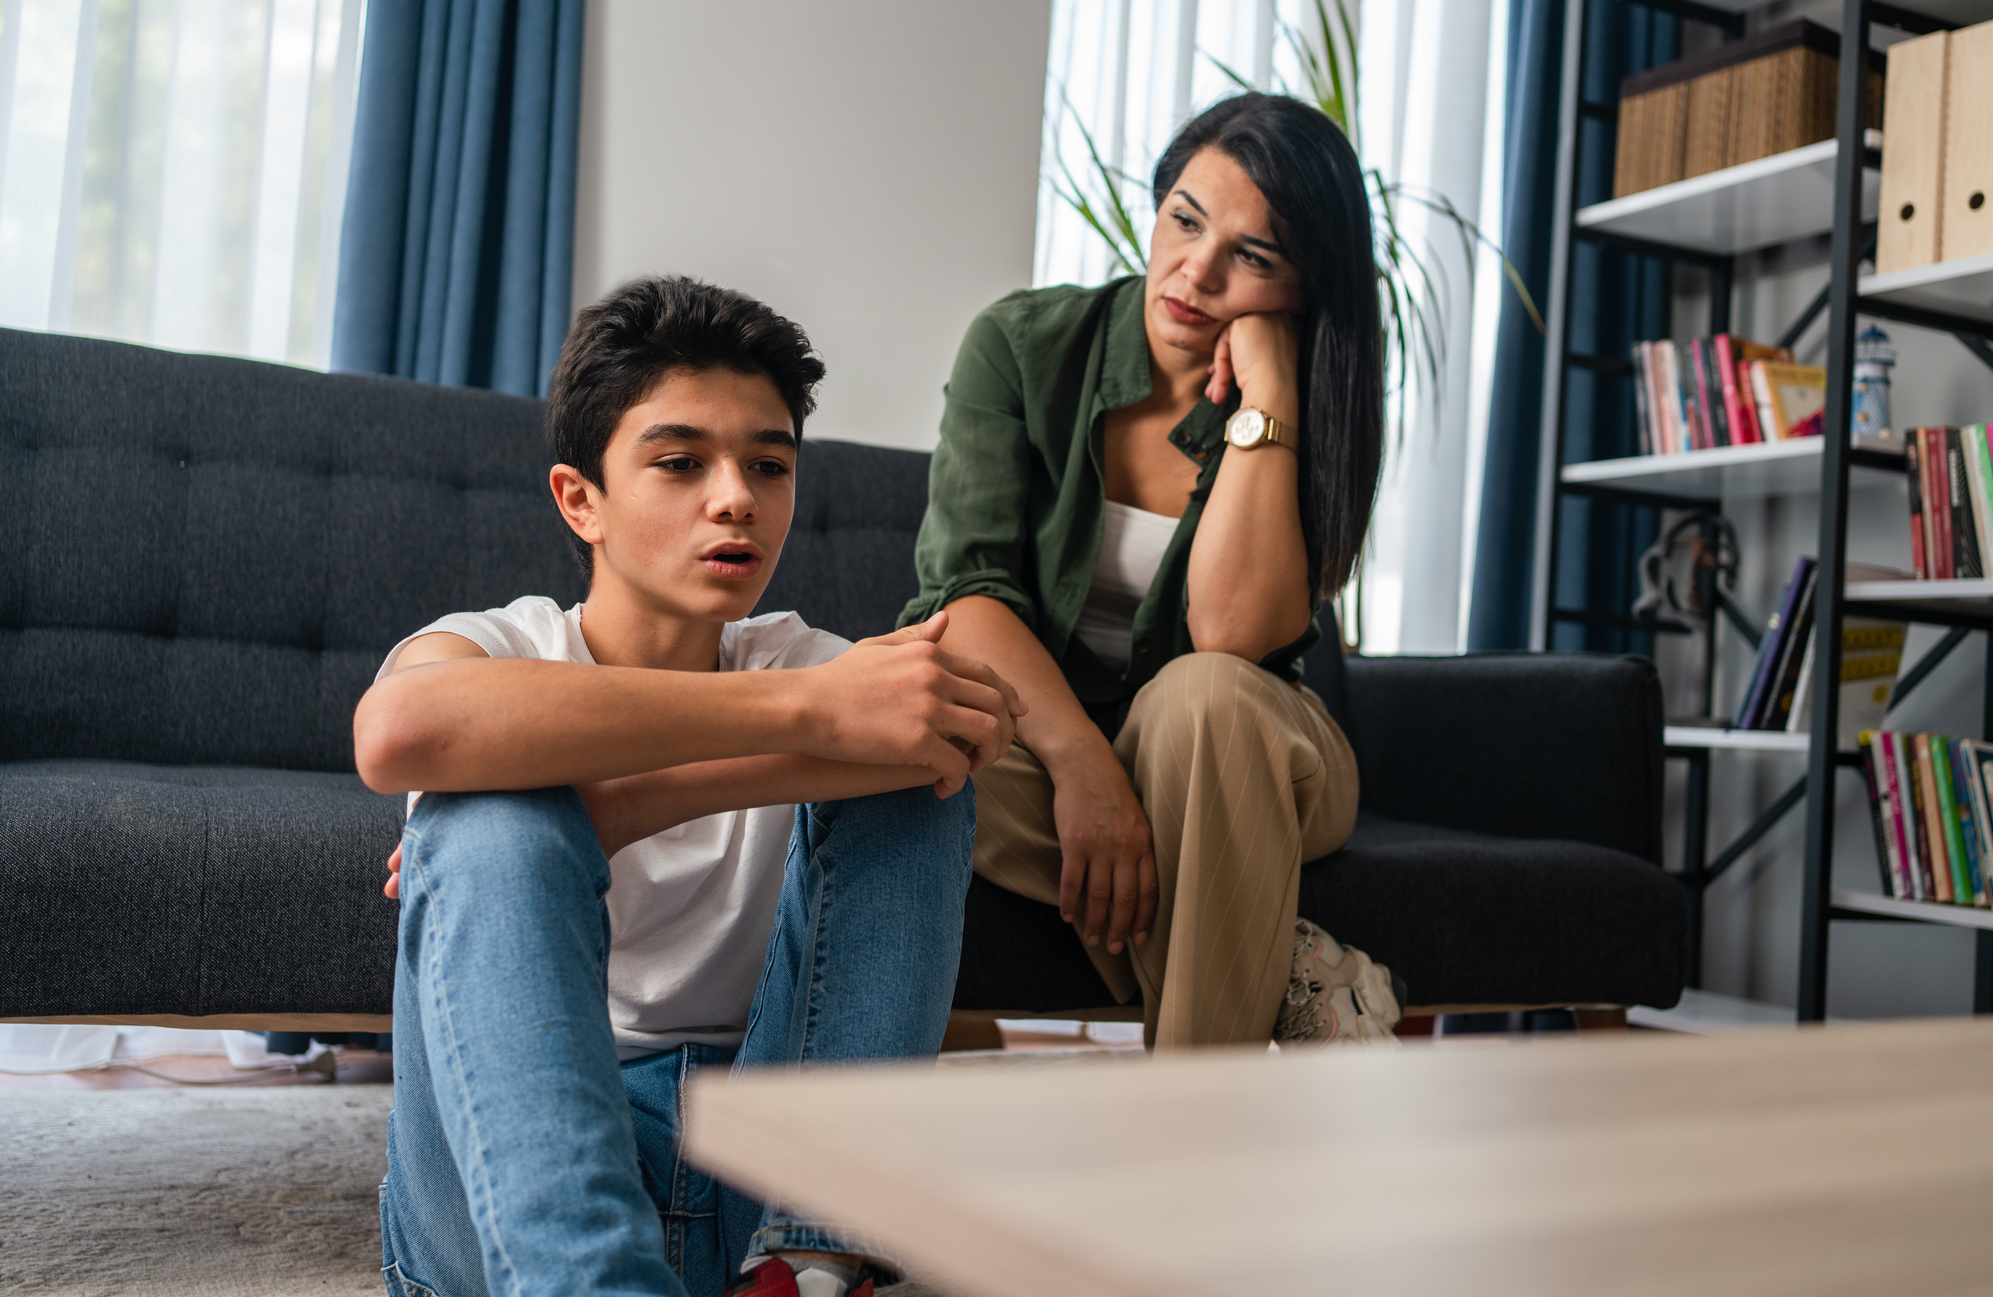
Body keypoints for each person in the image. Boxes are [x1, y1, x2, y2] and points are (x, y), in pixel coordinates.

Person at [354, 276, 1024, 1297]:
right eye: (679, 461)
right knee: (492, 817)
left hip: (754, 1170)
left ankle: (810, 1259)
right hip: (506, 1202)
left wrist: (609, 808)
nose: (735, 497)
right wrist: (803, 716)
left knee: (912, 778)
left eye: (768, 464)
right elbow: (399, 730)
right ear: (581, 499)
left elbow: (959, 729)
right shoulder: (500, 647)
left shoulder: (803, 655)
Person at [902, 92, 1398, 1050]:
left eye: (1253, 257)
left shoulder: (1299, 403)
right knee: (908, 741)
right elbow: (969, 595)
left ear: (1303, 287)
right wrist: (1088, 772)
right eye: (1185, 219)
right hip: (1044, 755)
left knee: (1199, 697)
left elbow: (1234, 637)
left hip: (1251, 758)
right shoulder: (1019, 345)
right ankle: (1295, 975)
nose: (1196, 272)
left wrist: (1271, 398)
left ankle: (1186, 1130)